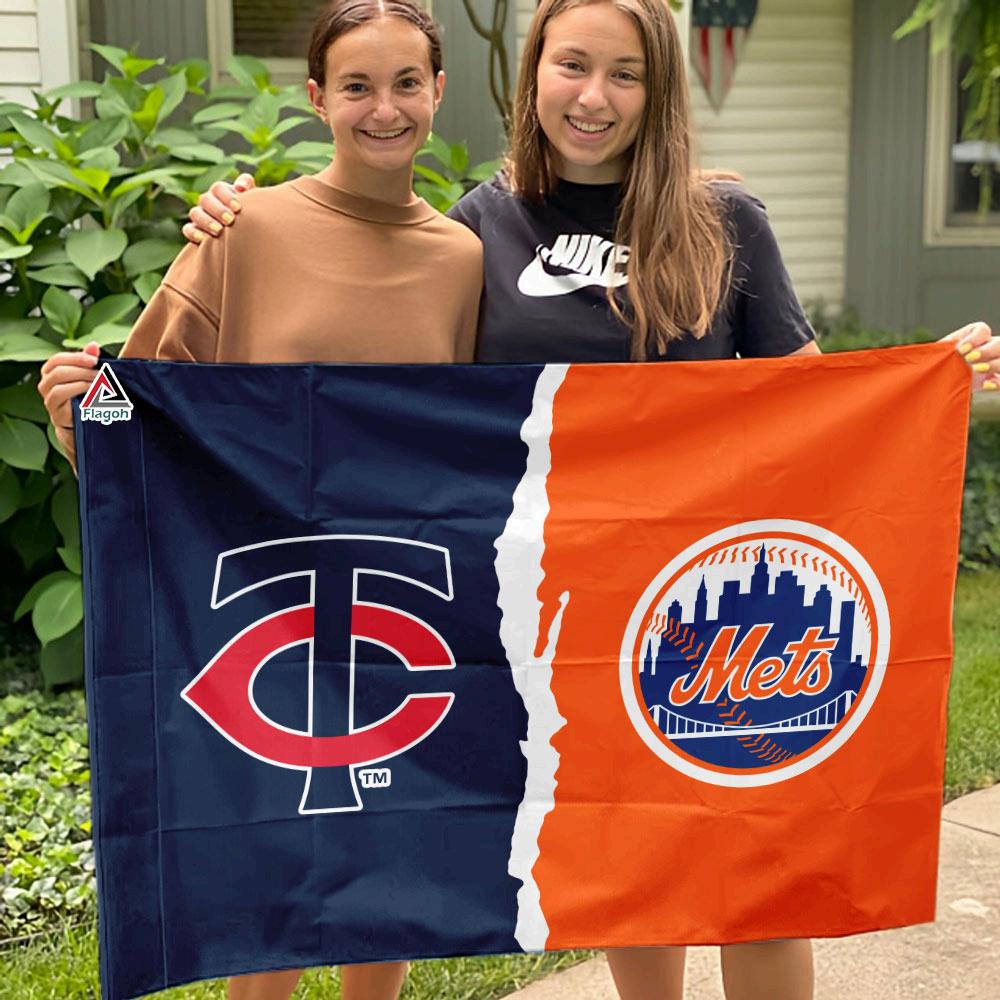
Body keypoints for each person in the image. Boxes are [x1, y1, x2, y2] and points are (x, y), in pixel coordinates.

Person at [69, 1, 1000, 999]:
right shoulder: (482, 228)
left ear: (658, 90)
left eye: (625, 73)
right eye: (572, 65)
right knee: (639, 864)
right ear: (533, 73)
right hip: (564, 604)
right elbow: (410, 396)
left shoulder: (724, 219)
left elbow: (809, 405)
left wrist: (919, 387)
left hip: (708, 592)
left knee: (756, 872)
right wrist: (233, 228)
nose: (594, 96)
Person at [37, 3, 481, 1000]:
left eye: (406, 84)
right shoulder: (247, 229)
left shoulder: (461, 259)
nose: (383, 109)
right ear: (316, 97)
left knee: (386, 855)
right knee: (271, 857)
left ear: (438, 91)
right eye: (356, 86)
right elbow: (145, 410)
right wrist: (76, 418)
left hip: (403, 596)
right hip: (262, 598)